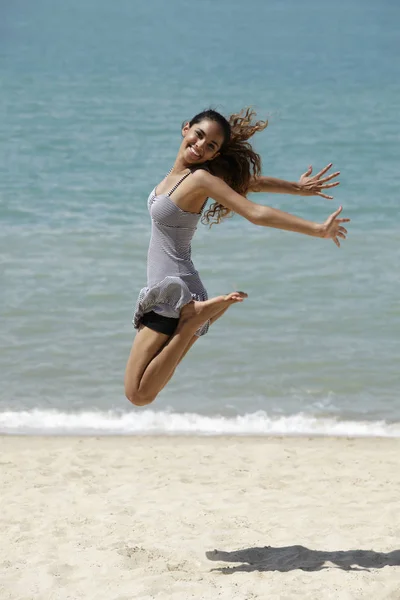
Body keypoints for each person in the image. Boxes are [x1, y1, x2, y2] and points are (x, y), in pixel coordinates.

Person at [124, 108, 349, 407]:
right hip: (177, 288)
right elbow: (250, 182)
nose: (201, 146)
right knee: (141, 392)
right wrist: (296, 188)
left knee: (138, 394)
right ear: (186, 128)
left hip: (173, 291)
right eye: (199, 135)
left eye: (211, 146)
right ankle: (195, 318)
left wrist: (318, 229)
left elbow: (255, 213)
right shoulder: (184, 177)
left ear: (214, 155)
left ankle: (192, 321)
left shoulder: (200, 179)